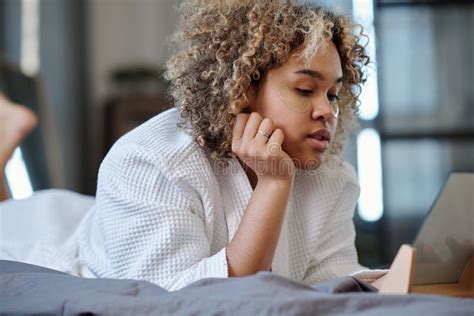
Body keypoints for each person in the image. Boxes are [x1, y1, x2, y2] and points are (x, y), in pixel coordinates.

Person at [0, 1, 387, 291]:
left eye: (334, 95)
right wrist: (272, 184)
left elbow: (333, 283)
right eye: (305, 90)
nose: (326, 112)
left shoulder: (331, 178)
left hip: (93, 214)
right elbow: (200, 301)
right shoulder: (153, 159)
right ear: (243, 88)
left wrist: (388, 282)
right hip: (44, 236)